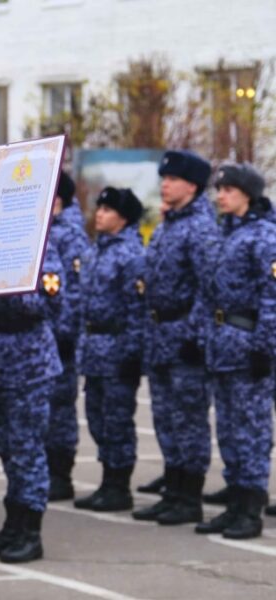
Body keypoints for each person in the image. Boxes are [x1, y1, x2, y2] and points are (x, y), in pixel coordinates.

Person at [133, 150, 221, 525]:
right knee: (167, 419)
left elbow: (210, 287)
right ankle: (175, 490)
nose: (164, 184)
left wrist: (195, 334)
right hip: (160, 334)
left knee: (189, 420)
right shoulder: (170, 223)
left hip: (185, 335)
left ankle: (189, 497)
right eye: (163, 178)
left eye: (172, 179)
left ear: (192, 185)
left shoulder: (200, 227)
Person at [194, 163, 276, 539]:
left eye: (228, 189)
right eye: (219, 189)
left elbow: (272, 297)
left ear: (246, 194)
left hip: (247, 345)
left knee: (252, 430)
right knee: (227, 429)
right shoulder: (226, 234)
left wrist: (265, 347)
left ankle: (251, 508)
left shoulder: (264, 237)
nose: (220, 195)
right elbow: (208, 293)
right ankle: (235, 502)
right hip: (222, 345)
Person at [0, 242, 65, 563]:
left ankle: (30, 531)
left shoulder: (41, 249)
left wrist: (2, 282)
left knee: (27, 448)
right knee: (7, 446)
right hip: (0, 358)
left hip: (31, 360)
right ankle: (13, 524)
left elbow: (48, 303)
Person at [73, 187, 145, 512]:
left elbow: (137, 310)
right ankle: (107, 481)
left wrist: (132, 354)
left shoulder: (132, 255)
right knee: (98, 418)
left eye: (107, 209)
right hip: (94, 349)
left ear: (123, 218)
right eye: (98, 208)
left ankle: (119, 485)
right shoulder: (94, 251)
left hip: (117, 348)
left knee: (118, 420)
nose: (99, 213)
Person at [46, 171, 91, 500]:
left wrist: (63, 333)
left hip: (59, 338)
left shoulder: (70, 235)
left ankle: (61, 474)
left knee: (60, 407)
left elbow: (75, 292)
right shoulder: (47, 231)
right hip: (41, 338)